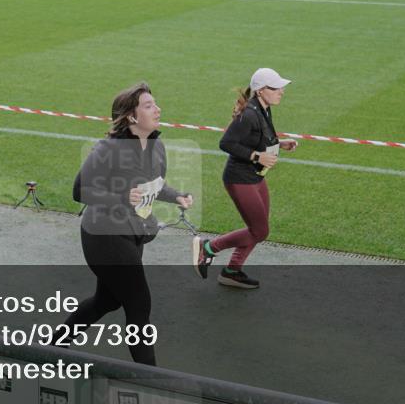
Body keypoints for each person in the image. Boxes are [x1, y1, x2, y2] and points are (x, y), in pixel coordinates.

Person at [61, 82, 193, 365]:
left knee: (106, 301)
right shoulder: (110, 148)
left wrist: (177, 196)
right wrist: (122, 196)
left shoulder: (156, 146)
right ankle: (149, 378)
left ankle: (53, 345)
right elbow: (79, 191)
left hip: (132, 233)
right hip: (104, 235)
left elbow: (153, 185)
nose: (157, 109)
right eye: (148, 106)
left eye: (155, 104)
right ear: (131, 117)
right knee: (138, 304)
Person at [193, 68, 298, 289]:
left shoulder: (264, 109)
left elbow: (258, 137)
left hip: (255, 177)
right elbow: (226, 143)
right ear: (261, 91)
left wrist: (280, 144)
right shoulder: (249, 114)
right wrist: (256, 156)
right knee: (259, 231)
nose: (282, 91)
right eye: (276, 88)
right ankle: (209, 247)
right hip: (239, 179)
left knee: (257, 229)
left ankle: (232, 271)